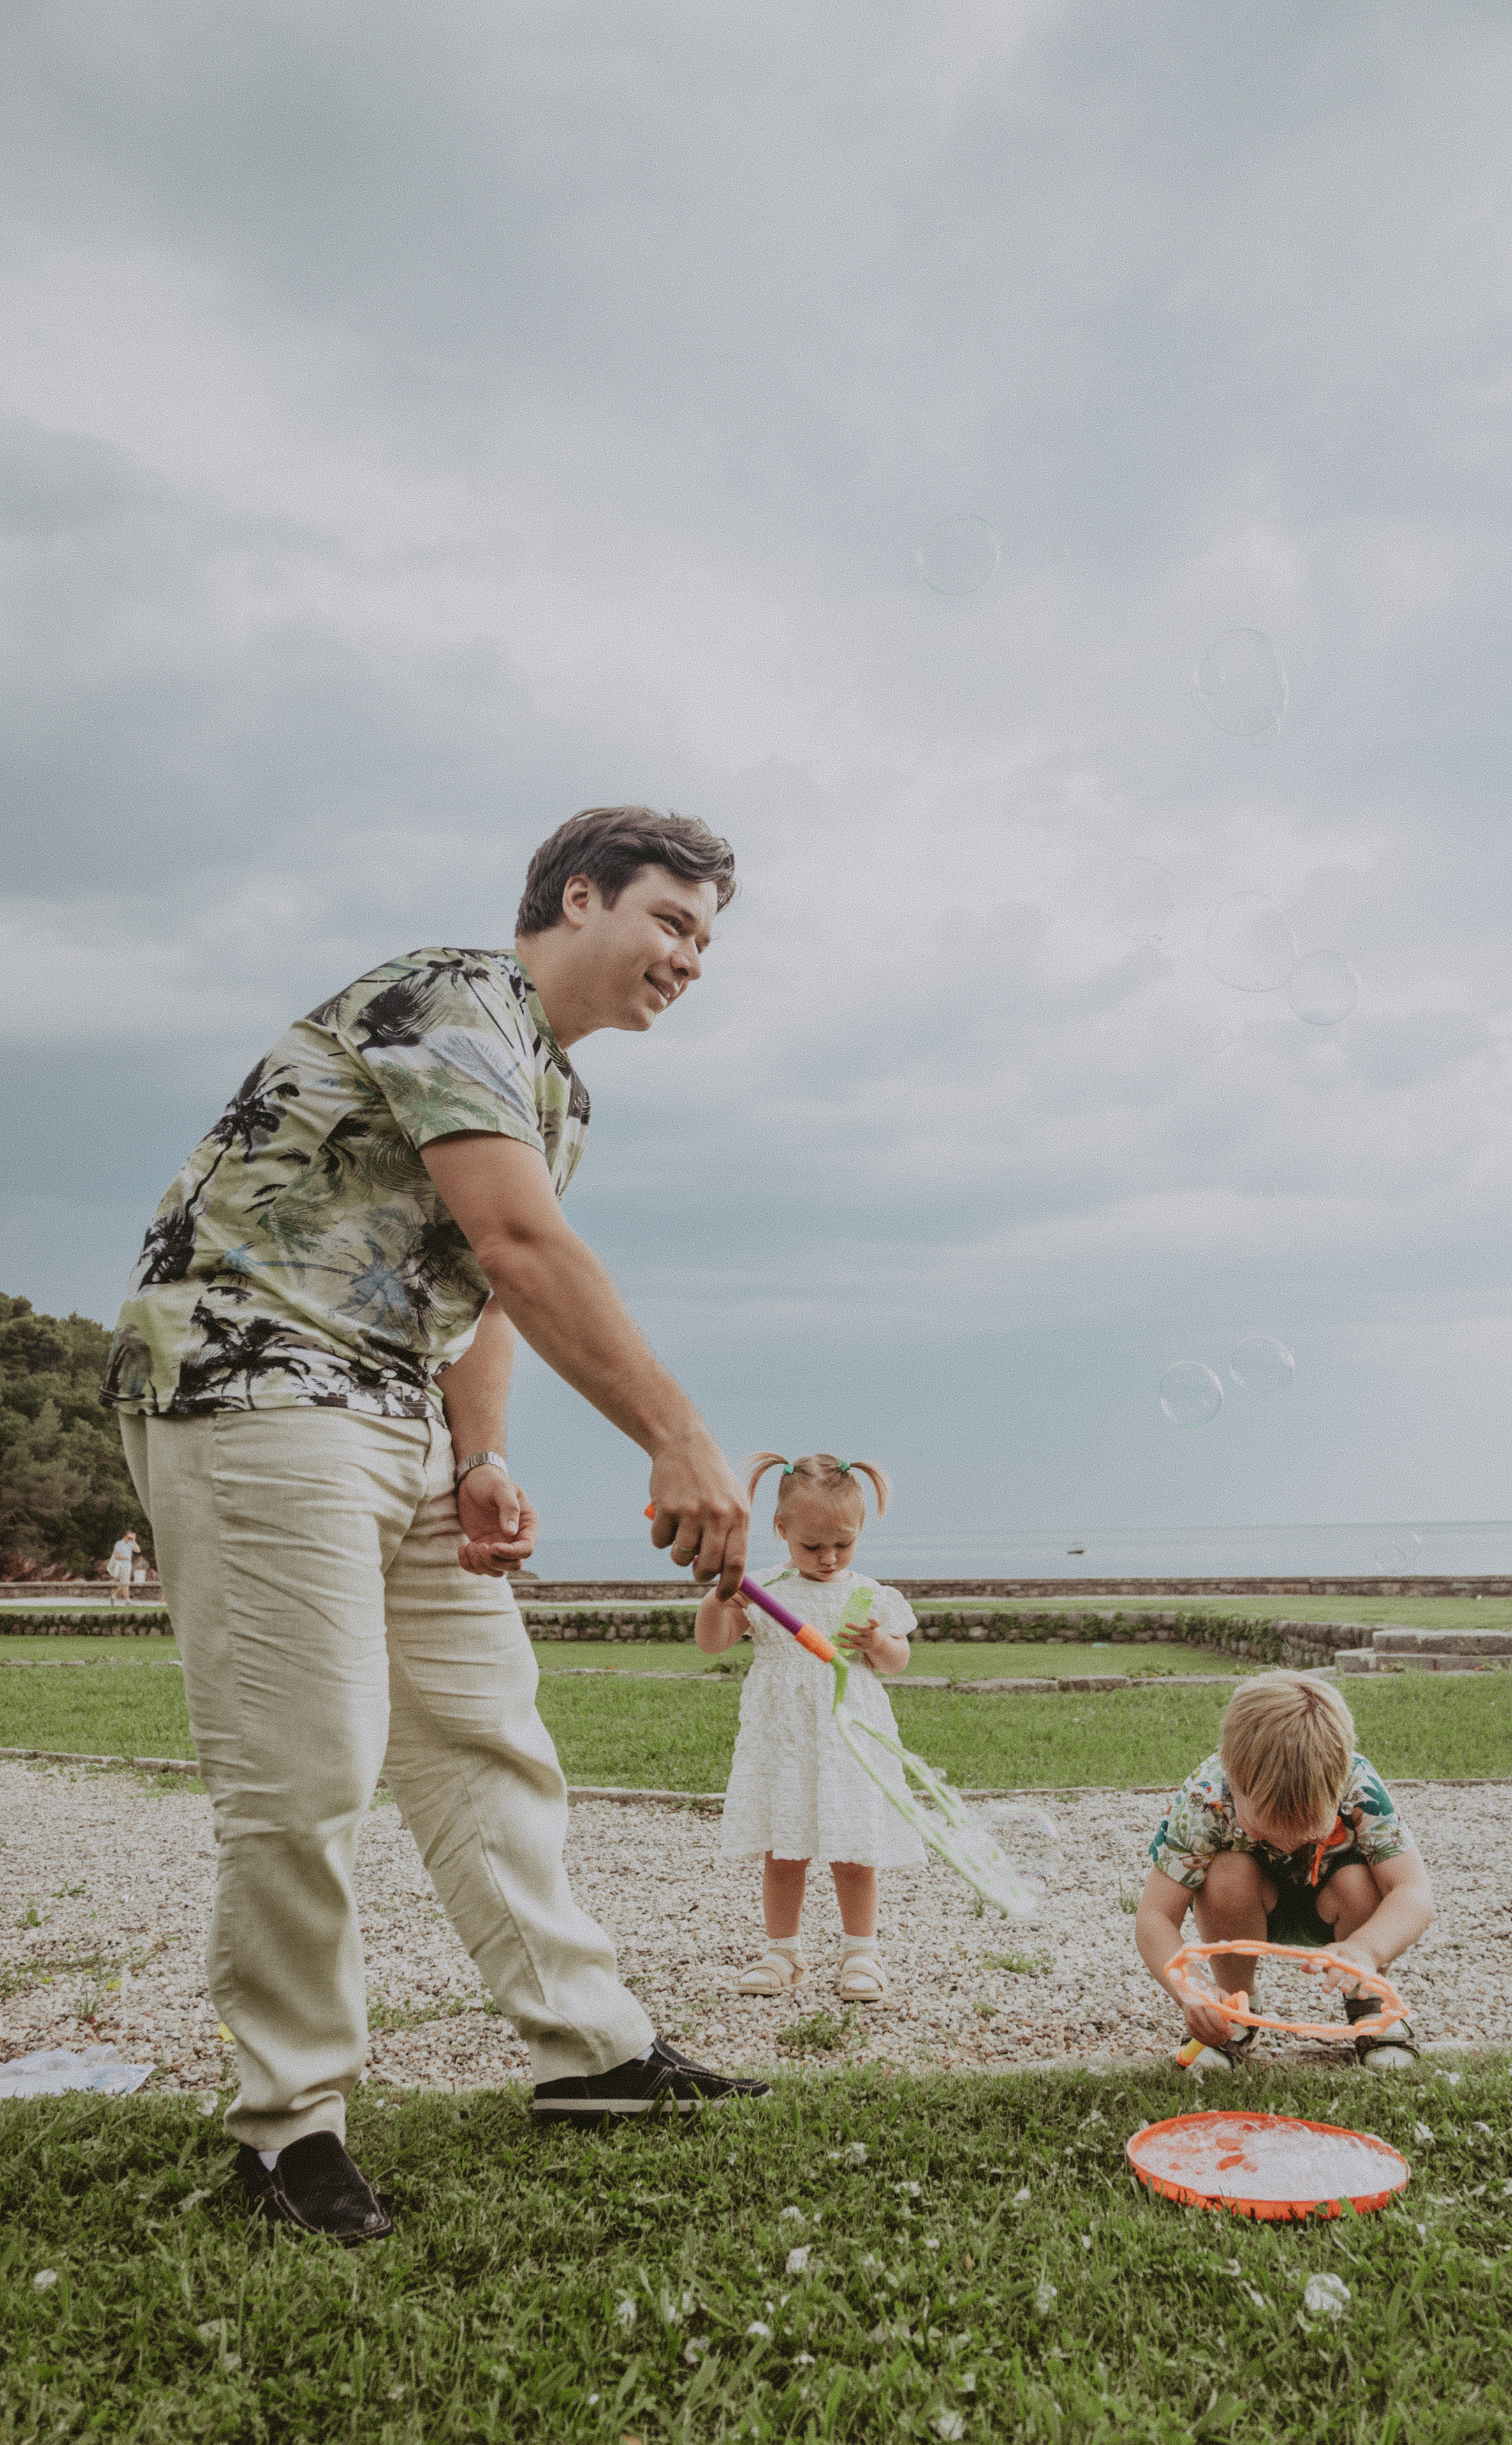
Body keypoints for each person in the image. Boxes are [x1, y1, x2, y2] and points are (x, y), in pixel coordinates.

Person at [101, 805, 768, 2245]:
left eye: (707, 938)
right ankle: (289, 2125)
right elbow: (525, 1242)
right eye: (670, 919)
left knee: (485, 1730)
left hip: (392, 1408)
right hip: (252, 1380)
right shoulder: (455, 994)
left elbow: (478, 1273)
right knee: (309, 1766)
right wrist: (678, 1437)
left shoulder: (560, 1093)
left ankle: (590, 2050)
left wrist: (484, 1456)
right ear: (576, 895)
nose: (690, 957)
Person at [698, 1451, 922, 2005]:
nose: (828, 1558)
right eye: (813, 1546)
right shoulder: (764, 1591)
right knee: (785, 1846)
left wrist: (877, 1643)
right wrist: (718, 1594)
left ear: (860, 1530)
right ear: (781, 1530)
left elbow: (898, 1661)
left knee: (853, 1848)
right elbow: (712, 1641)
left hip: (848, 1737)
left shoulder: (869, 1596)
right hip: (787, 1740)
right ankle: (783, 1952)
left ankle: (861, 1952)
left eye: (842, 1544)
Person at [1133, 1671, 1434, 2074]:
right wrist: (1193, 1989)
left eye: (1309, 1830)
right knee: (1225, 1876)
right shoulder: (1205, 1798)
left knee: (1360, 1881)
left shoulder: (1360, 1786)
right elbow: (1154, 1917)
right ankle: (1234, 2007)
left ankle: (1369, 2002)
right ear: (1232, 1779)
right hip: (1249, 1907)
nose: (1286, 1845)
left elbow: (1413, 1893)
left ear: (1339, 1783)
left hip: (1338, 1908)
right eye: (1263, 1831)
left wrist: (1368, 1950)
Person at [106, 1530, 139, 1604]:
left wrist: (134, 1541)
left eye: (131, 1538)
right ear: (125, 1536)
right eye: (129, 1537)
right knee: (126, 1584)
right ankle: (127, 1601)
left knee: (125, 1583)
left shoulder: (131, 1544)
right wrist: (126, 1558)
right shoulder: (119, 1544)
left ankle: (114, 1596)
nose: (129, 1539)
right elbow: (116, 1556)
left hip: (128, 1566)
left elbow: (138, 1550)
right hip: (121, 1565)